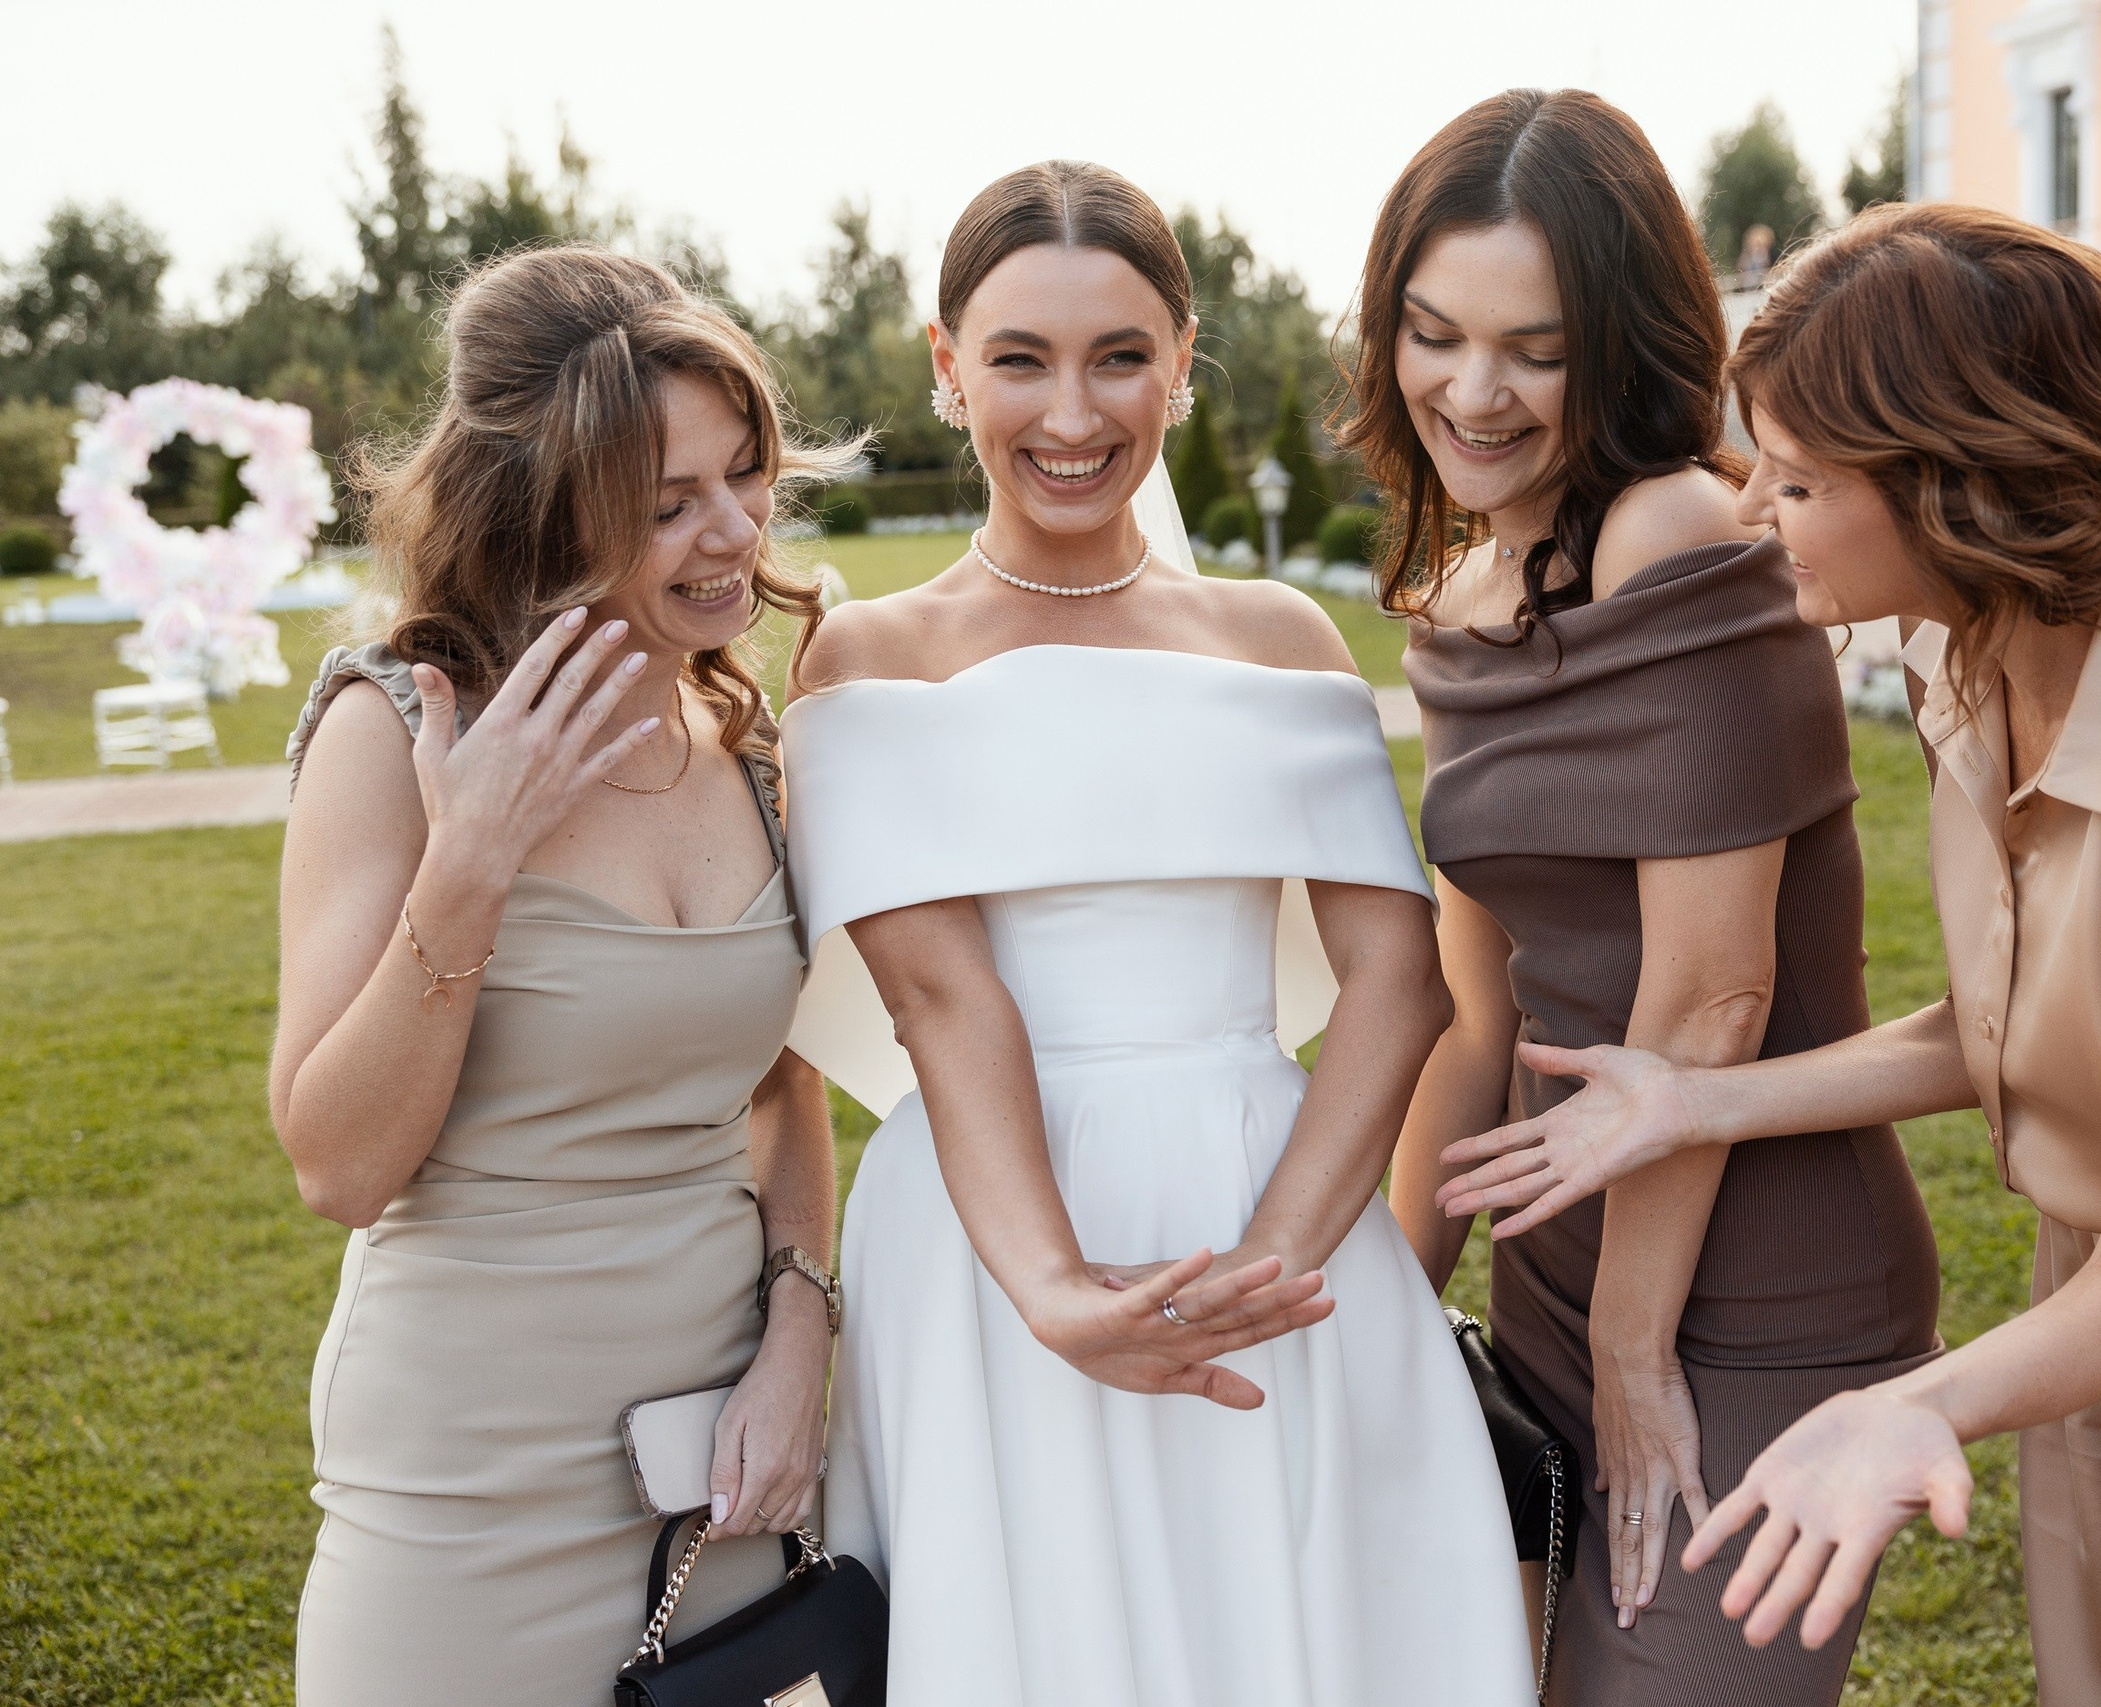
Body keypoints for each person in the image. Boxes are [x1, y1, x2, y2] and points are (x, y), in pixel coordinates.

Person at [1436, 201, 2101, 1707]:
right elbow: (2030, 1024)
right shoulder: (1982, 645)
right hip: (2086, 1306)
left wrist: (1899, 1407)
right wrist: (1698, 1103)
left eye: (1799, 482)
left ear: (1954, 481)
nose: (1754, 516)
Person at [783, 160, 1534, 1707]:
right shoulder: (873, 656)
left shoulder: (1280, 639)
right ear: (945, 365)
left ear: (1185, 361)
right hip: (995, 1238)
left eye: (1121, 355)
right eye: (1019, 360)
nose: (1074, 414)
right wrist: (1057, 1290)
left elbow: (1401, 984)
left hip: (1282, 1215)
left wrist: (1270, 1261)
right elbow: (941, 1001)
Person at [1344, 89, 1940, 1705]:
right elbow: (1484, 1013)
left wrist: (1630, 1355)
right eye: (1433, 333)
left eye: (1535, 347)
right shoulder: (1461, 591)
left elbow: (1710, 996)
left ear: (1620, 339)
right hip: (1563, 1266)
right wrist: (1391, 1307)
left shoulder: (1677, 529)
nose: (1473, 392)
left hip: (1752, 1297)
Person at [274, 246, 856, 1703]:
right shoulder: (399, 725)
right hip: (464, 1493)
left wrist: (800, 1331)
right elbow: (339, 1166)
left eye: (744, 474)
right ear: (540, 513)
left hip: (720, 1469)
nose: (732, 531)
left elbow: (787, 1092)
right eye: (666, 505)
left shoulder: (754, 737)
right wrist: (470, 861)